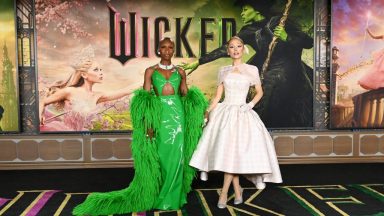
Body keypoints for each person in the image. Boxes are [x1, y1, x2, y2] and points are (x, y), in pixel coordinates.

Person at [72, 37, 207, 215]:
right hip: (160, 118)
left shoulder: (180, 72)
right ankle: (159, 195)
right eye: (163, 47)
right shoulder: (150, 71)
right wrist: (149, 125)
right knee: (162, 157)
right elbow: (145, 100)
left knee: (177, 158)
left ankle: (172, 199)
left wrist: (199, 109)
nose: (167, 50)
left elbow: (185, 94)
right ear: (159, 50)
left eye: (170, 47)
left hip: (178, 118)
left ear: (173, 50)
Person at [182, 0, 313, 128]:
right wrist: (199, 62)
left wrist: (286, 37)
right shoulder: (248, 30)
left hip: (287, 66)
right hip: (265, 67)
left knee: (270, 87)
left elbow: (309, 42)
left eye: (245, 9)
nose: (242, 14)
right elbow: (226, 48)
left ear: (256, 8)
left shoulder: (279, 21)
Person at [189, 36, 282, 208]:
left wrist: (250, 105)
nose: (235, 49)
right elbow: (218, 96)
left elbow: (260, 92)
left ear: (243, 48)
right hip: (225, 113)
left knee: (235, 154)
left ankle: (224, 193)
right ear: (228, 50)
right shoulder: (223, 71)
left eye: (239, 46)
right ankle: (237, 190)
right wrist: (207, 112)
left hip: (243, 113)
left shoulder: (252, 69)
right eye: (232, 47)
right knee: (230, 154)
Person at [39, 45, 134, 131]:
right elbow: (43, 101)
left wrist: (147, 78)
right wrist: (41, 114)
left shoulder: (98, 96)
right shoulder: (70, 91)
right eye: (96, 70)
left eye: (101, 69)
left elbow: (126, 90)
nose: (100, 72)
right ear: (84, 74)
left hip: (81, 135)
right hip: (65, 133)